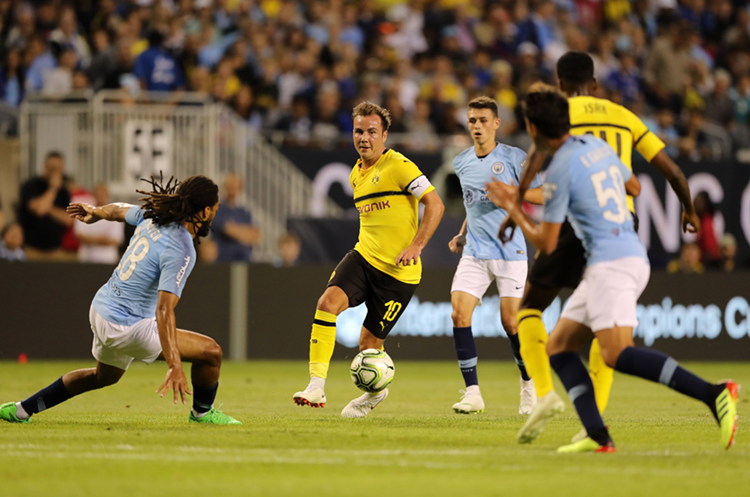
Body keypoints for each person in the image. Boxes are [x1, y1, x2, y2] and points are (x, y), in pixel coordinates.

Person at [488, 90, 738, 453]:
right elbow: (633, 186)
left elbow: (546, 243)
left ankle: (714, 394)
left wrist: (514, 206)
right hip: (626, 253)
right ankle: (597, 434)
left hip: (611, 264)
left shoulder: (559, 170)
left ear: (533, 128)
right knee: (558, 347)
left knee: (616, 354)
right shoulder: (595, 146)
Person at [0, 174, 241, 425]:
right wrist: (174, 364)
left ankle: (20, 409)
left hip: (101, 308)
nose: (215, 213)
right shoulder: (182, 247)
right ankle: (202, 413)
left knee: (102, 377)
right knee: (212, 352)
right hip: (127, 325)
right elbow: (164, 311)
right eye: (216, 208)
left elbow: (118, 210)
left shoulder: (154, 216)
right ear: (204, 211)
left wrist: (95, 211)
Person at [293, 101, 444, 417]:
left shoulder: (400, 166)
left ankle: (375, 395)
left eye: (371, 131)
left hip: (399, 275)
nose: (364, 137)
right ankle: (316, 386)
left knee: (368, 344)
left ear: (384, 135)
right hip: (364, 257)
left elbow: (435, 204)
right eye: (359, 131)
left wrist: (416, 246)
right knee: (327, 303)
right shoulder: (355, 176)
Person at [448, 96, 543, 415]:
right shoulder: (461, 162)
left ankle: (529, 385)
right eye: (472, 120)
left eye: (483, 120)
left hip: (511, 250)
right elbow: (471, 203)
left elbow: (544, 194)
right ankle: (473, 392)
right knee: (459, 314)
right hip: (474, 251)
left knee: (510, 322)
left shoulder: (514, 158)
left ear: (496, 124)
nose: (477, 126)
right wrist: (462, 233)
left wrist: (514, 194)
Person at [17, 151, 75, 259]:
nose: (55, 173)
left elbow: (68, 219)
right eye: (52, 168)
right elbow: (39, 210)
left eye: (58, 169)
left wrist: (48, 208)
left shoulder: (64, 191)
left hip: (56, 249)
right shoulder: (31, 185)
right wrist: (53, 188)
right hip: (31, 249)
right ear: (45, 166)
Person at [212, 174, 261, 262]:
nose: (233, 190)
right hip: (223, 262)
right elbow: (228, 230)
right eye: (230, 186)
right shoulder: (217, 209)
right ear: (224, 187)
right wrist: (245, 233)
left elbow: (256, 236)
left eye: (235, 186)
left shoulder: (244, 212)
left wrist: (237, 230)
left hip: (245, 261)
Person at [74, 184, 124, 264]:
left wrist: (91, 239)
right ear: (93, 195)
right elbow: (79, 234)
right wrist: (102, 239)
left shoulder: (115, 214)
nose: (101, 197)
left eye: (103, 194)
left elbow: (116, 240)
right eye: (98, 194)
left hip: (107, 260)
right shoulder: (84, 212)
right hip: (87, 259)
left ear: (107, 195)